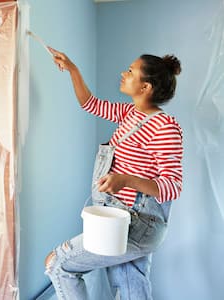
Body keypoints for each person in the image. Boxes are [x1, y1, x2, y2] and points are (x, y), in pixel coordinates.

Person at [44, 48, 183, 300]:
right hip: (119, 219)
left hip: (136, 225)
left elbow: (172, 186)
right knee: (130, 287)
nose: (123, 73)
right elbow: (89, 103)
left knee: (58, 263)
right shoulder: (129, 114)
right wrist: (72, 69)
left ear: (146, 87)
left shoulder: (164, 127)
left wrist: (126, 180)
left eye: (131, 71)